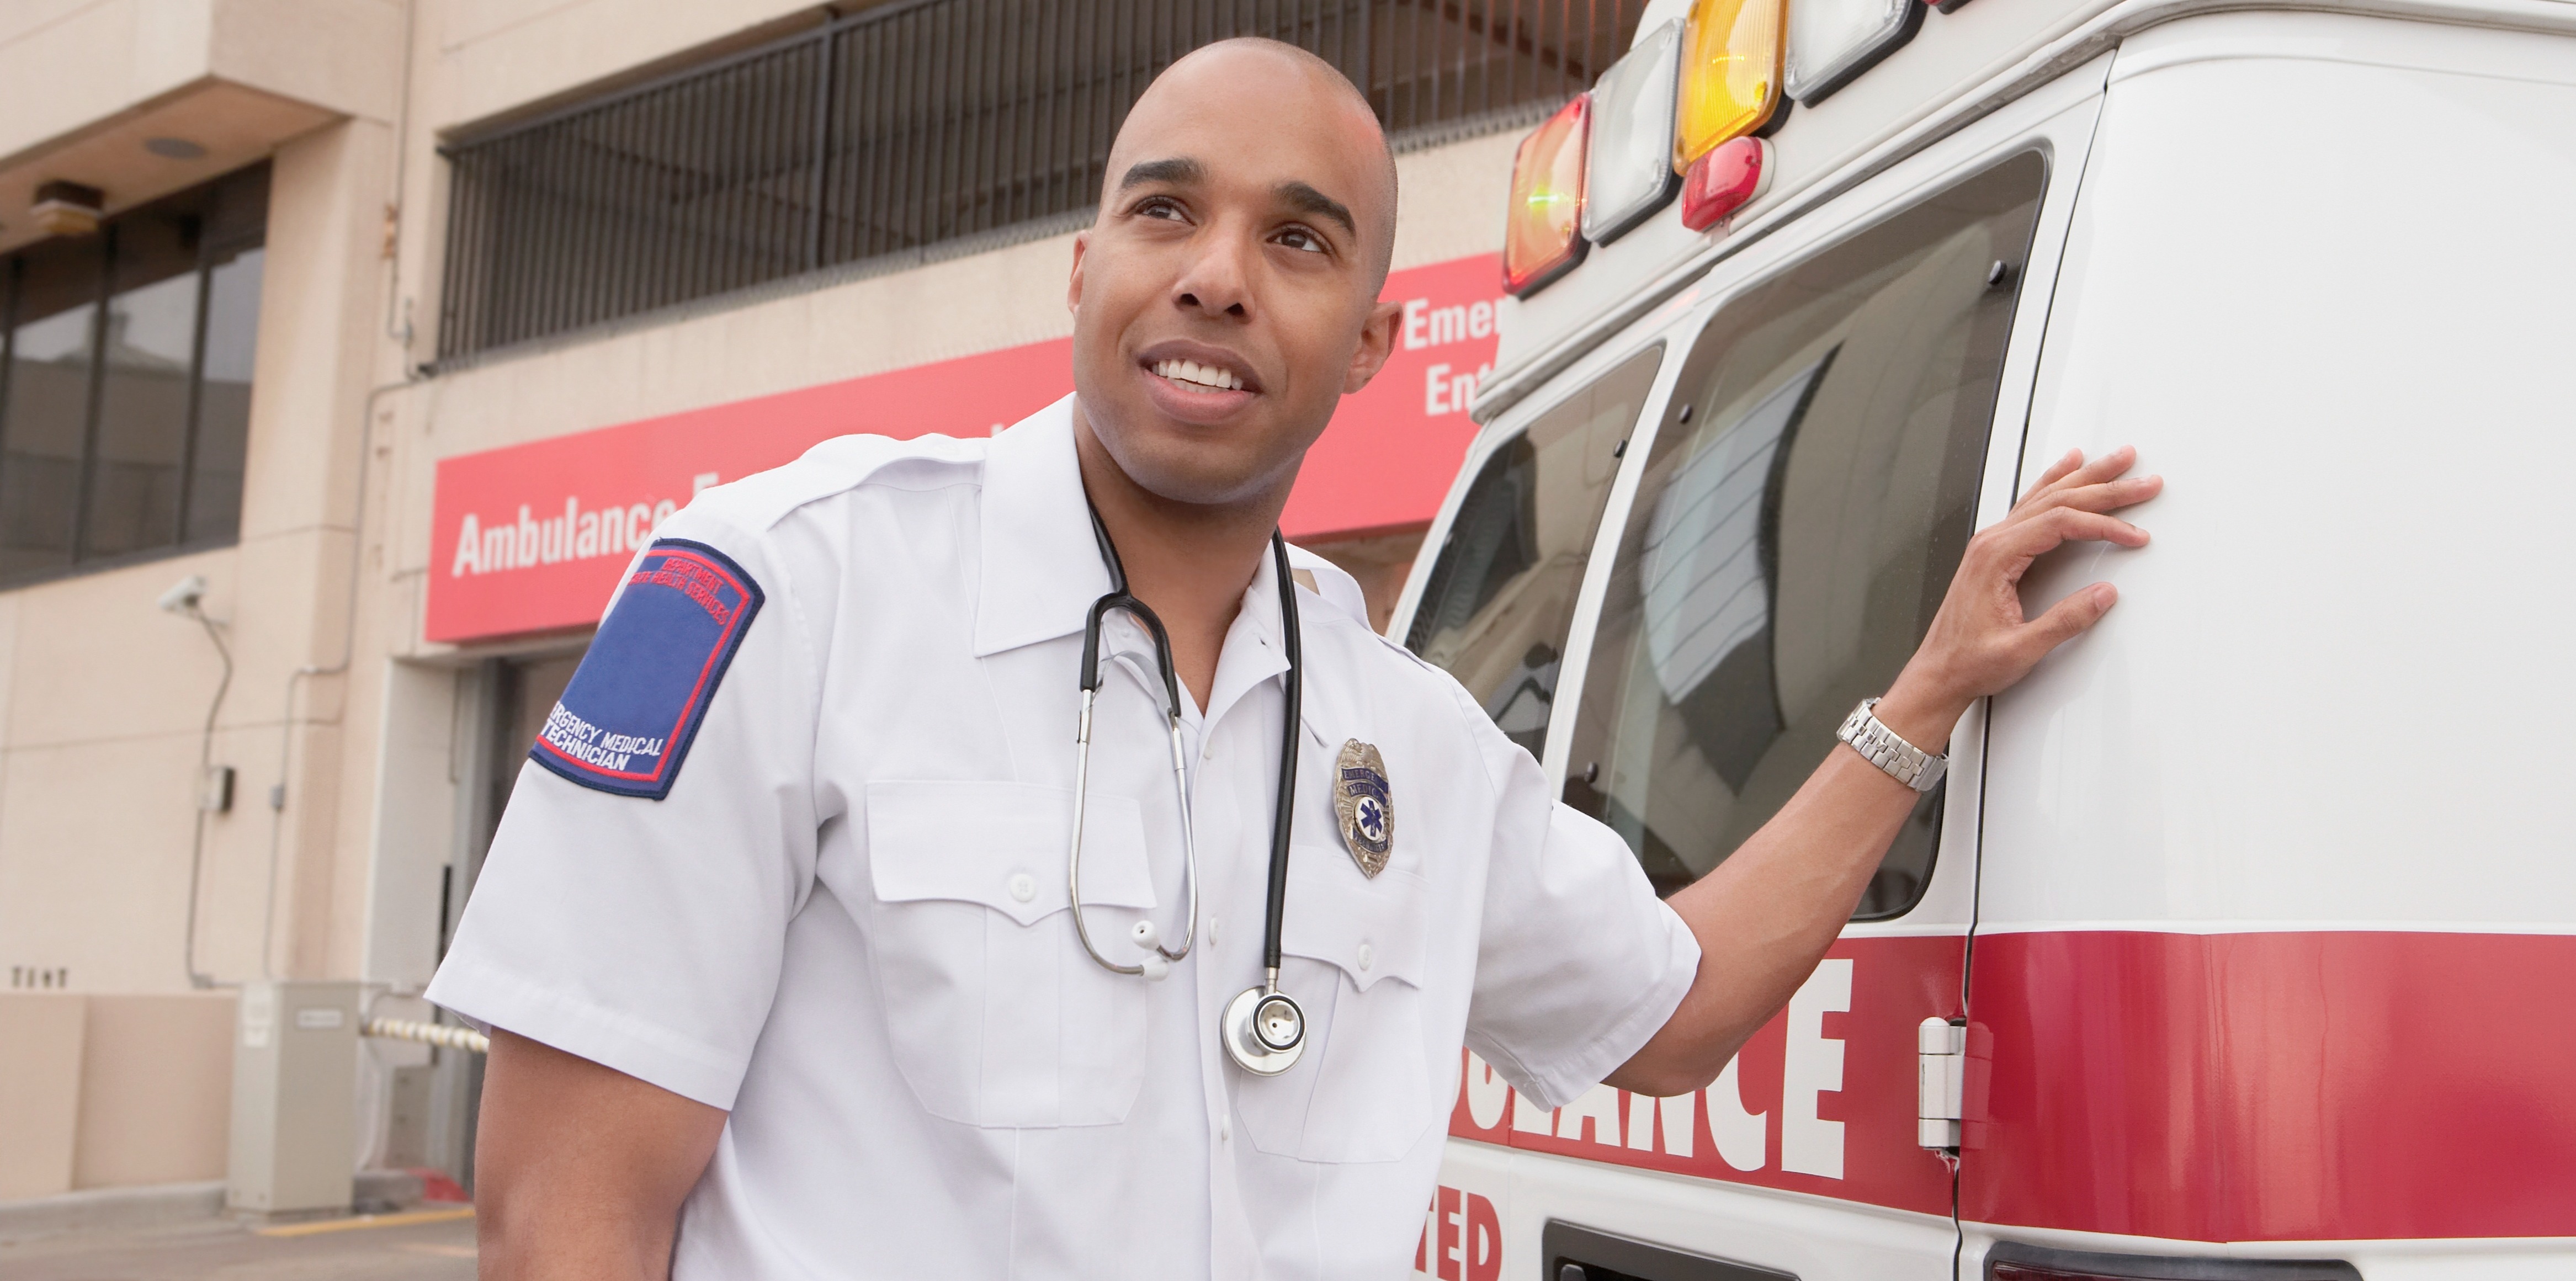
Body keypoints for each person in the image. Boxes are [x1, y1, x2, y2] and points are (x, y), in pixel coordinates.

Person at [427, 36, 2161, 1281]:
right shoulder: (789, 587)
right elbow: (560, 1226)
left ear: (1371, 347)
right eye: (1165, 215)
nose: (1217, 279)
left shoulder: (1401, 733)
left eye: (1298, 239)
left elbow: (1670, 1006)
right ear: (1083, 264)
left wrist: (1918, 693)